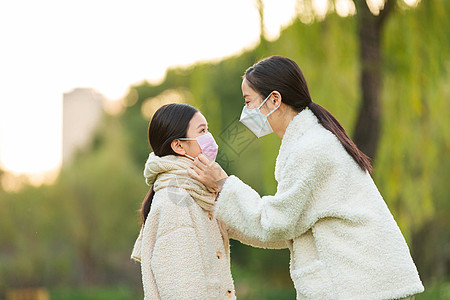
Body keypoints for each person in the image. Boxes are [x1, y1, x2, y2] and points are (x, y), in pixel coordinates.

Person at [188, 56, 424, 300]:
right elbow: (287, 229)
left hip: (362, 286)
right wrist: (226, 219)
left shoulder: (310, 149)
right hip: (367, 284)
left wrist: (223, 184)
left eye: (249, 101)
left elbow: (278, 222)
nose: (246, 112)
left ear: (274, 99)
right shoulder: (310, 141)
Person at [131, 103, 286, 300]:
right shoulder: (174, 202)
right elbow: (182, 289)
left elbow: (260, 226)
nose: (210, 138)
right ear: (179, 145)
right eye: (202, 131)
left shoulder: (202, 194)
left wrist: (301, 221)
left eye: (208, 129)